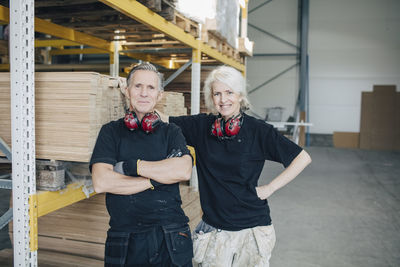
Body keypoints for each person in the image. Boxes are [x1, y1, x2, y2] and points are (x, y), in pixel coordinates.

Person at [158, 65, 312, 266]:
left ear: (240, 95)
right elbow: (163, 120)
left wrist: (269, 188)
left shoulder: (259, 131)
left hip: (252, 230)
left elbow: (302, 158)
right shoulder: (201, 127)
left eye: (229, 92)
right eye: (217, 94)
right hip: (215, 231)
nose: (223, 100)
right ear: (211, 98)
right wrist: (135, 95)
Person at [90, 62, 194, 267]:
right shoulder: (110, 132)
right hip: (125, 238)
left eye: (151, 87)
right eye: (138, 86)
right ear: (128, 91)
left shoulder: (171, 132)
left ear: (160, 95)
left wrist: (132, 167)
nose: (144, 93)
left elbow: (183, 170)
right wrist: (156, 180)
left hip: (170, 236)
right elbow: (101, 182)